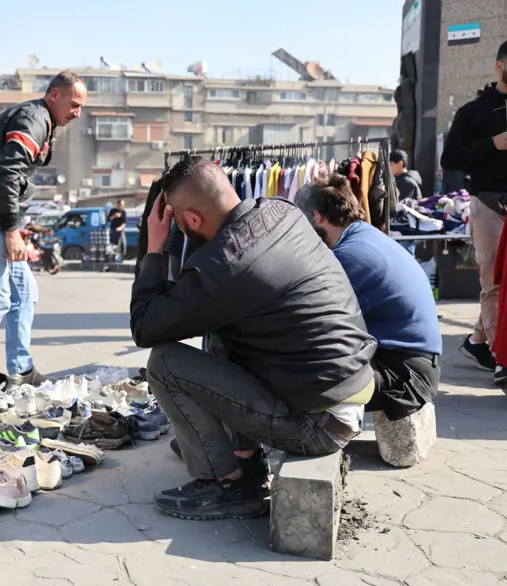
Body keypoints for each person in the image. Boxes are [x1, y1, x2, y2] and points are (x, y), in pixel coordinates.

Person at [130, 158, 375, 520]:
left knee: (165, 364)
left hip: (317, 425)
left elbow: (146, 328)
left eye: (179, 224)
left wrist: (154, 248)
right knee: (219, 330)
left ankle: (227, 482)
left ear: (192, 220)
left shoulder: (224, 265)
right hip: (347, 393)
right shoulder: (281, 211)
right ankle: (240, 455)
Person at [0, 71, 87, 397]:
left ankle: (21, 370)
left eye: (82, 107)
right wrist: (12, 230)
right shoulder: (33, 119)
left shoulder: (43, 121)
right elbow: (6, 174)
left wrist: (14, 228)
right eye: (74, 104)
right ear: (54, 94)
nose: (77, 113)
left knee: (24, 293)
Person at [295, 175, 441, 421]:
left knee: (292, 374)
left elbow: (306, 323)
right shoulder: (365, 238)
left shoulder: (348, 257)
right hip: (412, 364)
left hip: (406, 376)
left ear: (317, 217)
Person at [440, 40, 507, 375]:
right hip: (489, 204)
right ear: (500, 66)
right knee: (493, 282)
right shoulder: (473, 112)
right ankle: (501, 359)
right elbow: (449, 158)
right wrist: (492, 145)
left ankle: (478, 341)